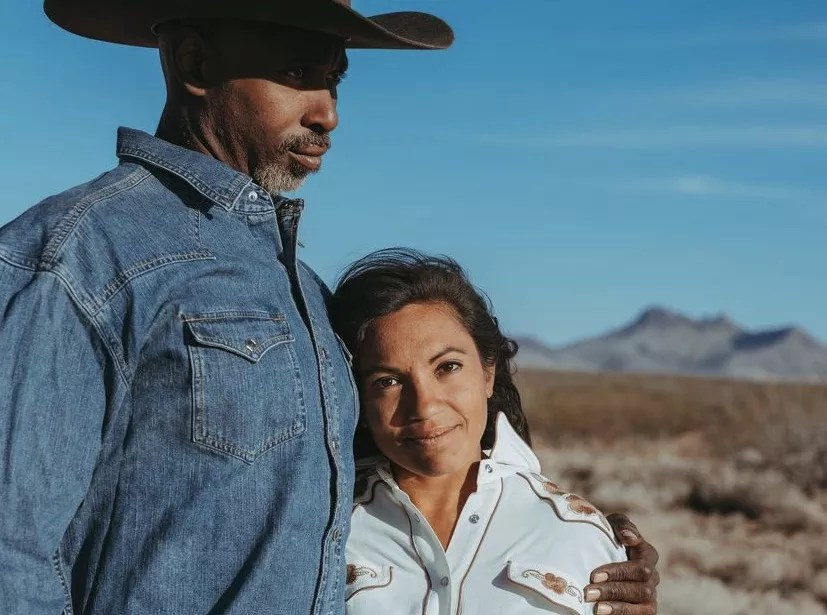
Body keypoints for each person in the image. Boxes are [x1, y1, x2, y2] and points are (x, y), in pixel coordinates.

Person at [0, 2, 657, 614]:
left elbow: (392, 474)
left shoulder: (306, 294)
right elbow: (12, 548)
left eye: (333, 80)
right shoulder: (77, 258)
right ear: (196, 64)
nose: (328, 113)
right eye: (296, 73)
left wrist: (576, 553)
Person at [332, 249, 657, 615]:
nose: (424, 406)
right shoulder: (325, 534)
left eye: (447, 367)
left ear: (488, 373)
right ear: (357, 397)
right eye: (387, 381)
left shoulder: (577, 535)